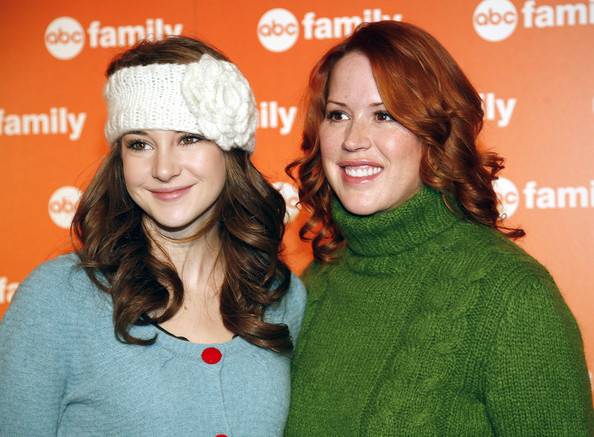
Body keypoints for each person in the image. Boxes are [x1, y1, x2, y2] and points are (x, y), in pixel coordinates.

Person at [284, 21, 593, 436]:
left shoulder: (512, 296)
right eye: (338, 115)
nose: (354, 139)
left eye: (384, 115)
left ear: (436, 133)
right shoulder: (316, 281)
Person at [0, 36, 306, 436]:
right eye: (140, 144)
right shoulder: (58, 298)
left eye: (188, 138)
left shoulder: (280, 296)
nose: (163, 168)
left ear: (231, 151)